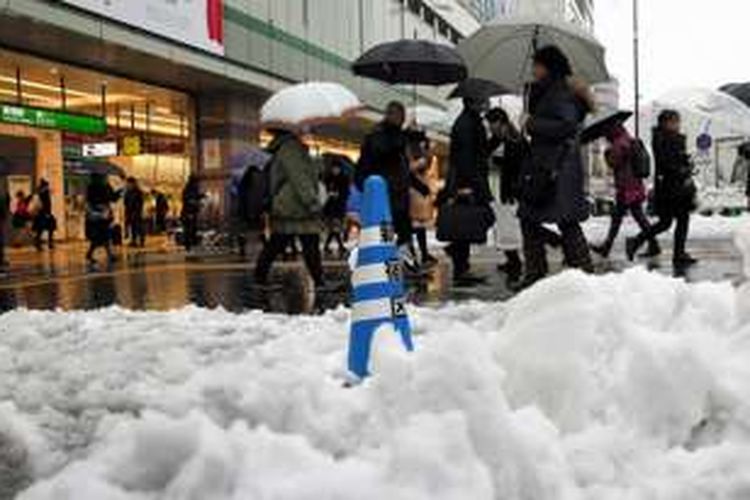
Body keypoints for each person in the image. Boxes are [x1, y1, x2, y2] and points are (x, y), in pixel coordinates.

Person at [516, 45, 594, 288]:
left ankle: (558, 274)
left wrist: (531, 123)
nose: (533, 69)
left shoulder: (560, 92)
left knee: (555, 219)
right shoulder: (550, 90)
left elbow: (566, 127)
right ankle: (574, 273)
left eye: (536, 64)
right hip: (551, 166)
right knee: (539, 218)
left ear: (547, 66)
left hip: (556, 168)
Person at [626, 109, 697, 267]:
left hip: (671, 187)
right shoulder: (665, 138)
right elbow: (666, 164)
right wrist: (683, 167)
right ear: (665, 123)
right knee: (679, 220)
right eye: (675, 121)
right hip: (672, 188)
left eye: (678, 121)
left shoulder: (668, 138)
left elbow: (674, 160)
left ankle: (636, 242)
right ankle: (678, 254)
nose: (678, 124)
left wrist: (686, 160)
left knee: (666, 222)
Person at [254, 128, 323, 287]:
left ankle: (260, 277)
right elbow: (299, 178)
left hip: (289, 204)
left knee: (279, 242)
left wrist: (315, 162)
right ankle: (319, 282)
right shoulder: (291, 148)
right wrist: (311, 201)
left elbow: (305, 175)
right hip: (296, 205)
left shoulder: (289, 147)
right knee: (308, 242)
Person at [356, 101, 416, 269]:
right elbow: (383, 151)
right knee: (387, 231)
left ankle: (408, 263)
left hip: (397, 193)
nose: (403, 119)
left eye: (404, 116)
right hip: (385, 194)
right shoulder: (379, 134)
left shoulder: (395, 134)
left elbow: (401, 166)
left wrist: (418, 186)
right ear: (390, 114)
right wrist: (404, 137)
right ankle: (385, 265)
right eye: (400, 116)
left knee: (403, 230)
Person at [442, 96, 493, 283]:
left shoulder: (472, 121)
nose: (487, 103)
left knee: (467, 224)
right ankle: (460, 266)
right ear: (473, 102)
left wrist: (495, 139)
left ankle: (461, 263)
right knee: (466, 223)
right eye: (484, 100)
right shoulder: (465, 124)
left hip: (472, 180)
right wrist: (465, 186)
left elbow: (479, 152)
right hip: (468, 182)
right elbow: (465, 158)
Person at [591, 124, 658, 258]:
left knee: (621, 218)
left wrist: (606, 153)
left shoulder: (619, 143)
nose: (605, 137)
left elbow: (613, 162)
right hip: (634, 185)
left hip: (626, 187)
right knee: (634, 217)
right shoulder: (628, 139)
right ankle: (653, 244)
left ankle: (607, 247)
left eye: (606, 134)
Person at [487, 107, 527, 282]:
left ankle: (515, 261)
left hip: (514, 190)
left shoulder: (515, 139)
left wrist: (497, 162)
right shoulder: (504, 137)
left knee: (511, 227)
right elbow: (489, 148)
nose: (491, 129)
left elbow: (517, 166)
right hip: (507, 188)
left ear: (502, 123)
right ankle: (512, 259)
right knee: (506, 226)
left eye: (493, 125)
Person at [406, 130, 437, 267]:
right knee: (412, 227)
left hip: (415, 193)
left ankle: (420, 255)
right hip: (413, 193)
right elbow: (412, 168)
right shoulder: (411, 152)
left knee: (415, 226)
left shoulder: (413, 151)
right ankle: (417, 255)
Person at [85, 173, 119, 264]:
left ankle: (106, 254)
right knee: (103, 235)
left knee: (101, 235)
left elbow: (89, 201)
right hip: (102, 214)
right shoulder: (103, 187)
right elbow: (112, 198)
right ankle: (106, 254)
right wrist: (118, 192)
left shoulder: (91, 187)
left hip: (95, 215)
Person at [322, 156, 351, 258]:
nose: (335, 170)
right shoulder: (328, 178)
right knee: (333, 227)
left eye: (337, 168)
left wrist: (338, 195)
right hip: (329, 207)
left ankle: (332, 245)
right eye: (334, 168)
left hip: (338, 207)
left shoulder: (344, 179)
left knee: (335, 227)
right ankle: (339, 245)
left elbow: (346, 194)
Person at [32, 179, 55, 251]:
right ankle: (49, 243)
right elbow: (47, 204)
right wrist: (47, 213)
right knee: (50, 228)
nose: (48, 187)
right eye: (47, 186)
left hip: (40, 214)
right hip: (45, 213)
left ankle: (38, 244)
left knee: (40, 230)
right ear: (45, 186)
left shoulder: (39, 192)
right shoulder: (45, 193)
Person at [181, 175, 203, 252]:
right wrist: (195, 203)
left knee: (193, 229)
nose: (197, 184)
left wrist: (201, 196)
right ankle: (188, 246)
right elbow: (187, 200)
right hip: (188, 212)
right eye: (196, 182)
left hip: (192, 212)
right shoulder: (188, 189)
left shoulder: (193, 189)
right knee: (188, 229)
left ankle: (192, 244)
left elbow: (195, 197)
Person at [124, 177, 145, 248]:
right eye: (127, 183)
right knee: (132, 227)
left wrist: (136, 211)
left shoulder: (138, 192)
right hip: (129, 212)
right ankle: (134, 241)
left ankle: (142, 241)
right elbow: (126, 202)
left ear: (133, 183)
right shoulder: (127, 192)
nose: (128, 185)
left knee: (138, 227)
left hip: (137, 212)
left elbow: (140, 203)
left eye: (129, 183)